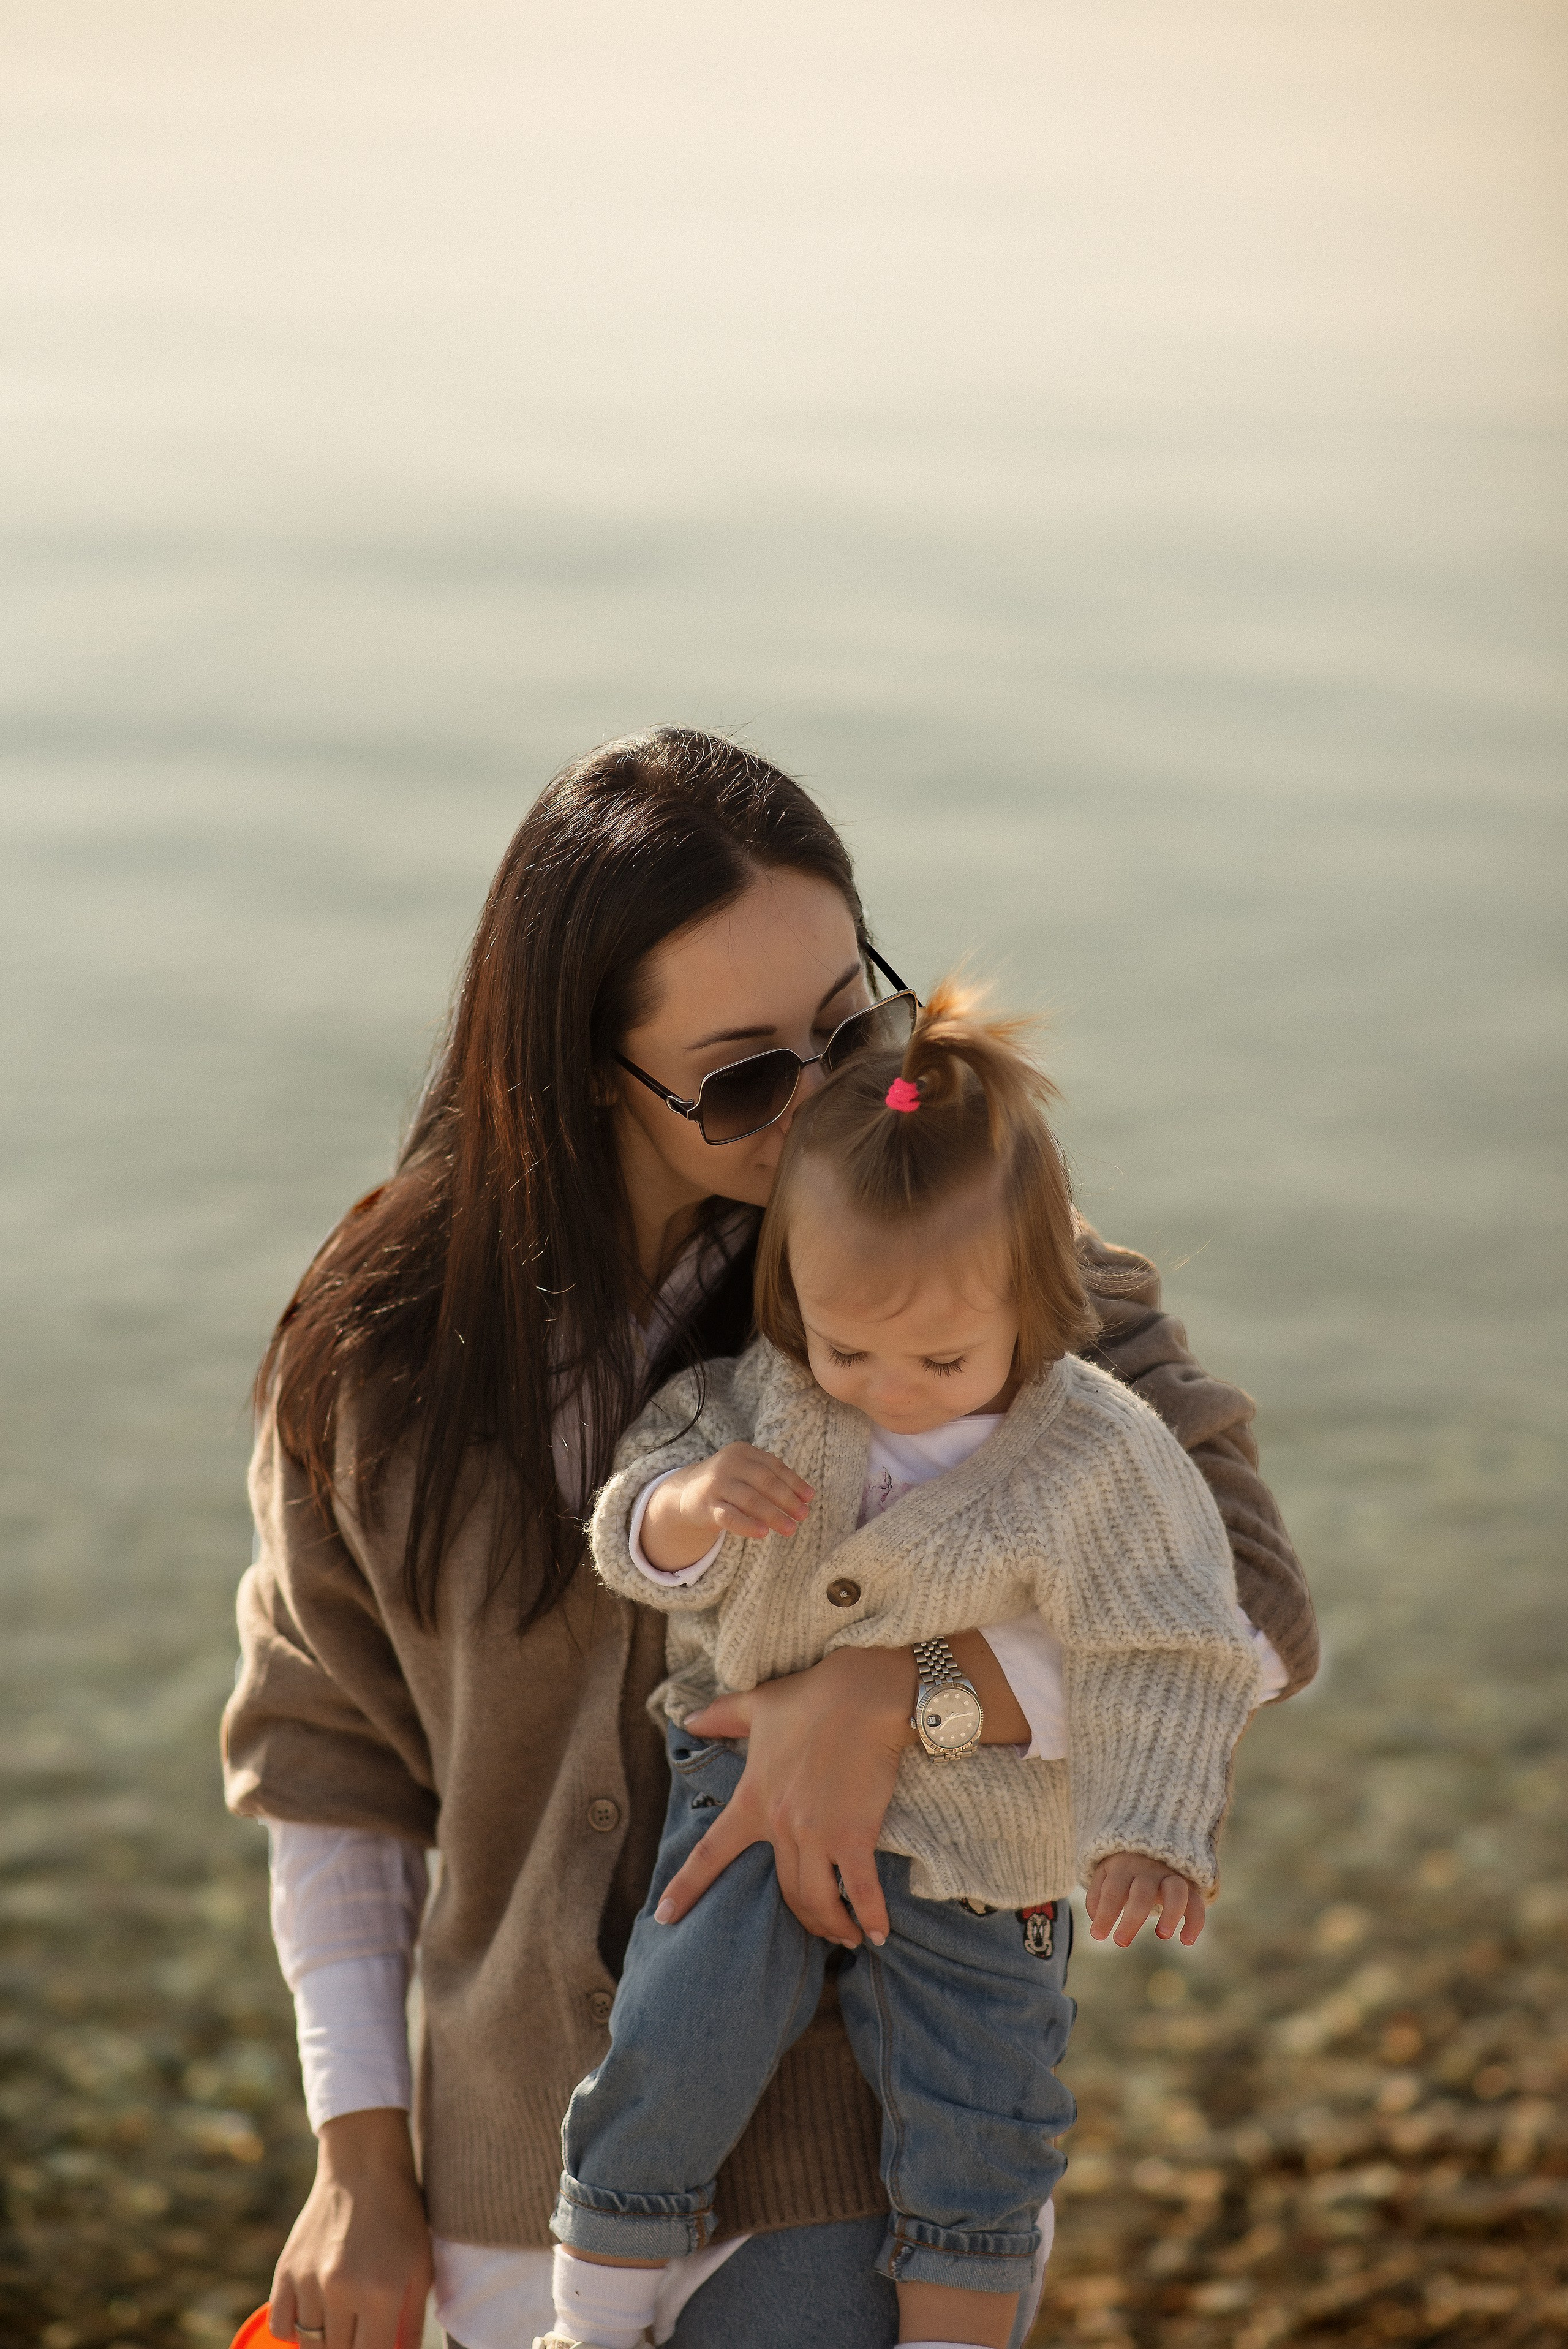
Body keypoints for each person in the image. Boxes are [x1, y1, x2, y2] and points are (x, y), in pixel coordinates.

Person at [222, 727, 1318, 2349]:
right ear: (581, 1070)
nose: (822, 1105)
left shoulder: (967, 1255)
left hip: (861, 2148)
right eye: (744, 1073)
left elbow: (1251, 1610)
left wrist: (901, 1695)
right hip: (504, 2181)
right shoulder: (378, 1344)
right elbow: (333, 1766)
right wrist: (356, 2162)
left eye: (851, 1027)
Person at [543, 985, 1272, 2349]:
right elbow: (634, 1524)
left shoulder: (1096, 1455)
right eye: (845, 1345)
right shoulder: (766, 1397)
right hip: (748, 1780)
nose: (884, 1386)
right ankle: (591, 2312)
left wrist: (1148, 1830)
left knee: (982, 2104)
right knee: (681, 2027)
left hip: (984, 1834)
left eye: (940, 1356)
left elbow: (1166, 1641)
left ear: (1034, 1305)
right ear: (793, 1299)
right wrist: (691, 1508)